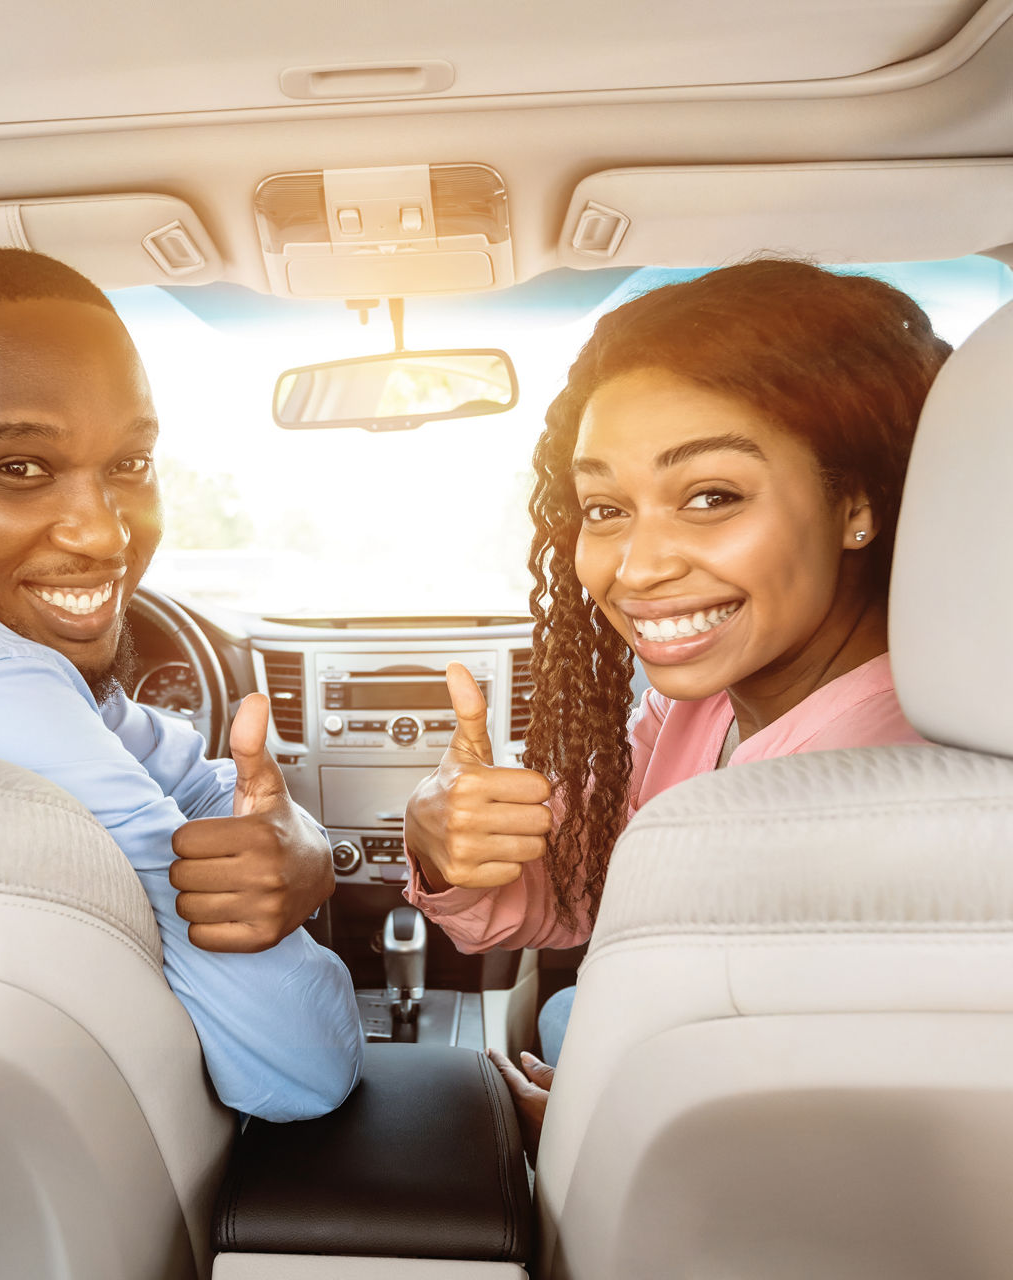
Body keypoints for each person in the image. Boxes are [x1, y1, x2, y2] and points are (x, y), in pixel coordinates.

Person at [402, 259, 952, 1153]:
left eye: (710, 497)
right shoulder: (701, 708)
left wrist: (588, 1121)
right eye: (607, 508)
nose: (638, 567)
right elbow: (585, 881)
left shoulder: (896, 775)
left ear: (856, 499)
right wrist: (446, 837)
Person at [0, 247, 363, 1121]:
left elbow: (187, 772)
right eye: (21, 467)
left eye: (129, 463)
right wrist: (307, 883)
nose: (106, 537)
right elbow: (302, 1071)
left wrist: (297, 838)